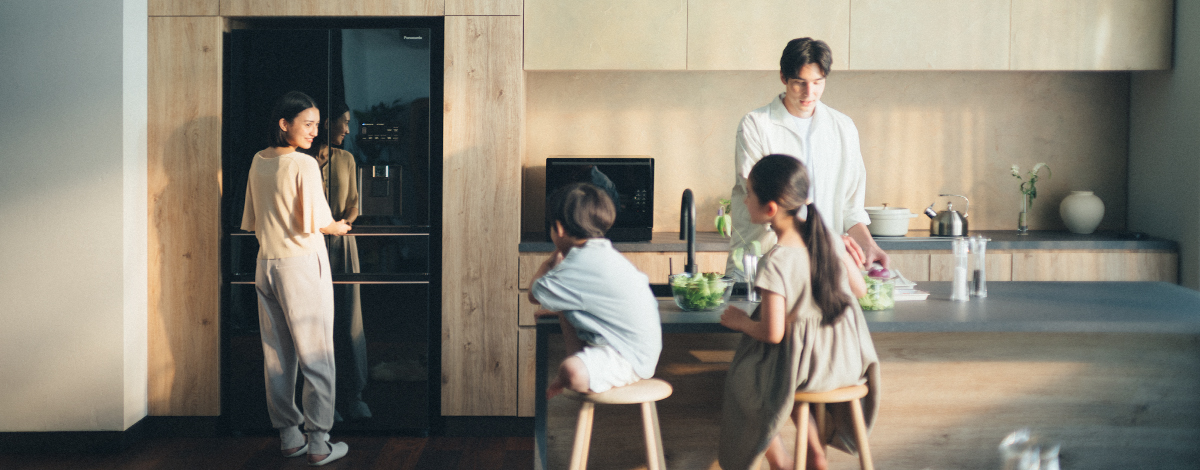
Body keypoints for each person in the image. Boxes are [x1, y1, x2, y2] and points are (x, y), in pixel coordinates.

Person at [718, 155, 880, 470]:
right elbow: (860, 289)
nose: (745, 199)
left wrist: (740, 322)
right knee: (783, 370)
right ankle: (814, 453)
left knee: (744, 379)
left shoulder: (776, 260)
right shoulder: (828, 237)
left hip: (810, 368)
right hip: (847, 362)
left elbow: (772, 333)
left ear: (770, 209)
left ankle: (781, 463)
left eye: (748, 193)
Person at [241, 91, 351, 466]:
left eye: (317, 125)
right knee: (317, 356)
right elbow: (320, 221)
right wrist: (338, 226)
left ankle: (290, 436)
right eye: (307, 124)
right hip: (301, 265)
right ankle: (319, 442)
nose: (314, 131)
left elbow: (253, 218)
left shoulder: (258, 161)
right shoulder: (303, 164)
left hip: (266, 264)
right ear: (283, 124)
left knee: (278, 357)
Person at [727, 37, 889, 282]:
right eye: (799, 83)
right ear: (783, 77)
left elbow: (851, 207)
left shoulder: (842, 127)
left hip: (823, 270)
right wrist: (830, 241)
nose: (809, 93)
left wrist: (868, 245)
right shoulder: (756, 125)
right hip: (763, 264)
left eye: (817, 82)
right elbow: (767, 203)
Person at [527, 182, 662, 398]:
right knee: (564, 307)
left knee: (570, 370)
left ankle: (567, 376)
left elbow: (533, 294)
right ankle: (581, 363)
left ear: (559, 229)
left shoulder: (577, 265)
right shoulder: (605, 255)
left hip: (628, 357)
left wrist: (548, 264)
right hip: (637, 348)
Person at [301, 103, 370, 421]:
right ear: (326, 123)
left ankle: (353, 394)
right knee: (312, 322)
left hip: (342, 243)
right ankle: (320, 399)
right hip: (306, 245)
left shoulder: (347, 159)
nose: (347, 129)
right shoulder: (299, 160)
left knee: (348, 316)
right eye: (343, 123)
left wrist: (335, 226)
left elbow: (354, 205)